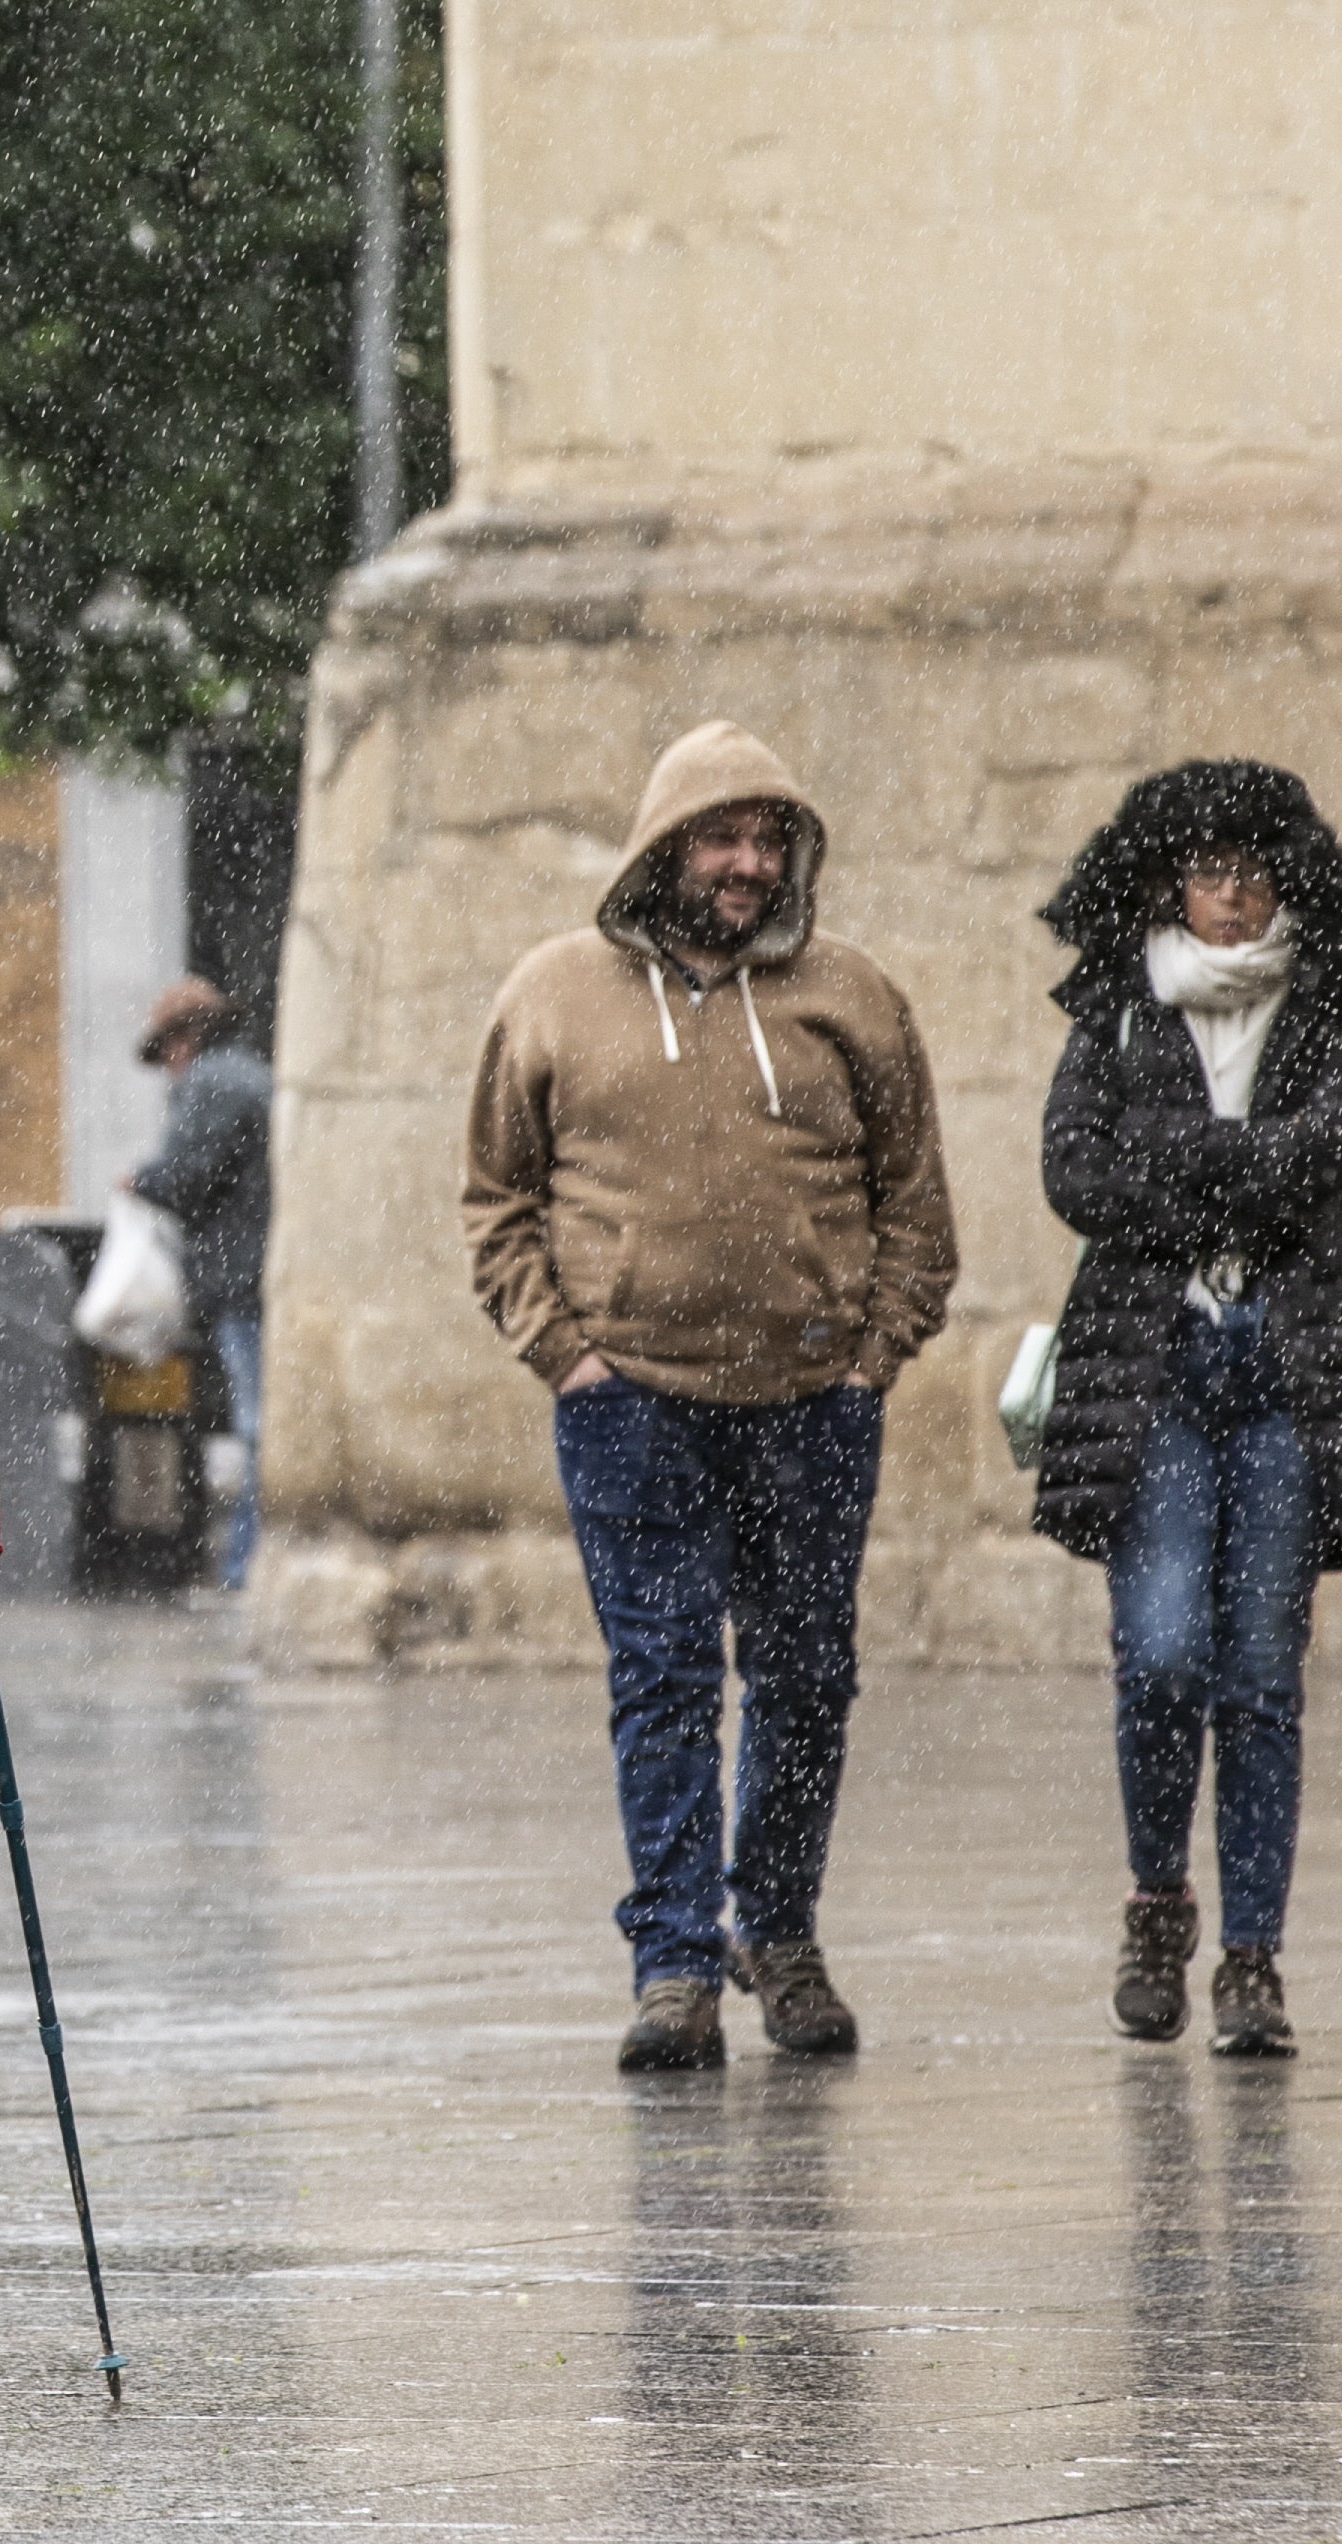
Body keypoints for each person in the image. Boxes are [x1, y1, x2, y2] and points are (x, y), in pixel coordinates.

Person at [459, 722, 957, 2071]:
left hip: (813, 1403)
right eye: (720, 837)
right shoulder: (554, 994)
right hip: (630, 1406)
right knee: (664, 1678)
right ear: (663, 848)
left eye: (767, 839)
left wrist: (872, 1358)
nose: (745, 865)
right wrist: (567, 1353)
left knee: (805, 1680)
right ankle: (675, 1961)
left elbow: (915, 1203)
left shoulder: (852, 997)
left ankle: (781, 1935)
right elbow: (498, 1199)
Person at [1029, 762, 1342, 2063]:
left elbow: (1341, 1145)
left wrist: (1189, 1171)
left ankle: (1253, 1960)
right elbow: (1074, 1174)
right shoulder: (1113, 1005)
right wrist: (1234, 1180)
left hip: (1287, 1362)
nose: (1231, 897)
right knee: (1159, 1656)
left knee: (1260, 1672)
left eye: (1254, 874)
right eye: (1210, 873)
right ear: (1169, 883)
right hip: (1154, 1366)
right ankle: (1160, 1905)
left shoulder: (1332, 1001)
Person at [127, 974, 273, 1588]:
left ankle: (246, 1568)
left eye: (163, 1053)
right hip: (259, 1274)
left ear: (183, 1039)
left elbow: (186, 1174)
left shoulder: (213, 1084)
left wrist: (139, 1181)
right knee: (258, 1423)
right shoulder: (250, 1075)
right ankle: (246, 1564)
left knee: (256, 1426)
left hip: (242, 1282)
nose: (165, 1070)